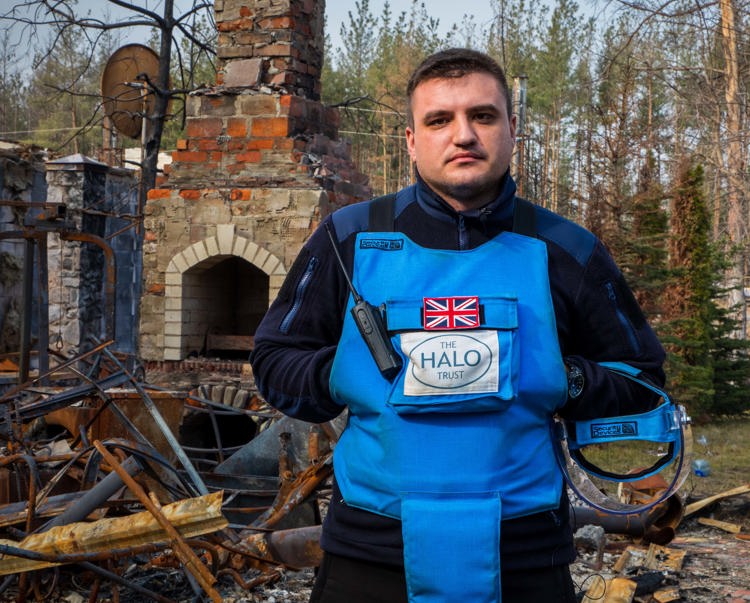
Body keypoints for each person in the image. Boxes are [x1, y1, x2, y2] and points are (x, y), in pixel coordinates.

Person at [250, 48, 666, 603]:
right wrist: (334, 375)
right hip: (371, 557)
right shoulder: (347, 240)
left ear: (513, 130)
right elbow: (273, 360)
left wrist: (568, 379)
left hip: (525, 557)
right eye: (439, 120)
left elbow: (644, 382)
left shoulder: (567, 250)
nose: (463, 135)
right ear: (411, 140)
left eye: (483, 116)